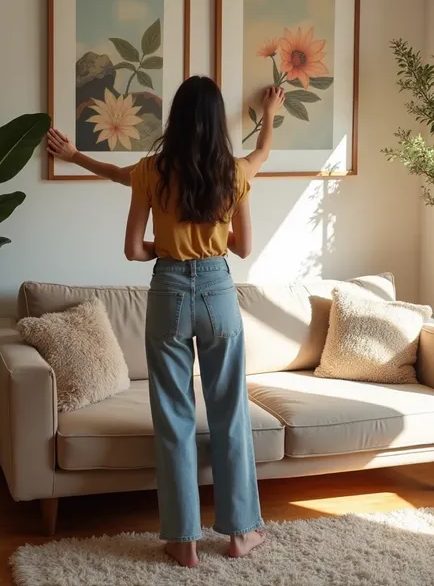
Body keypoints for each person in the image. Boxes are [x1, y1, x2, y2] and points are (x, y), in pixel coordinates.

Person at [47, 79, 284, 567]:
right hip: (219, 293)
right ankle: (240, 534)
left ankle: (183, 541)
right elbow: (243, 243)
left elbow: (133, 245)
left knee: (174, 420)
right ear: (219, 122)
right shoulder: (235, 172)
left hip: (169, 293)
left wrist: (75, 158)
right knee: (229, 414)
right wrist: (269, 110)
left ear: (174, 119)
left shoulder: (152, 171)